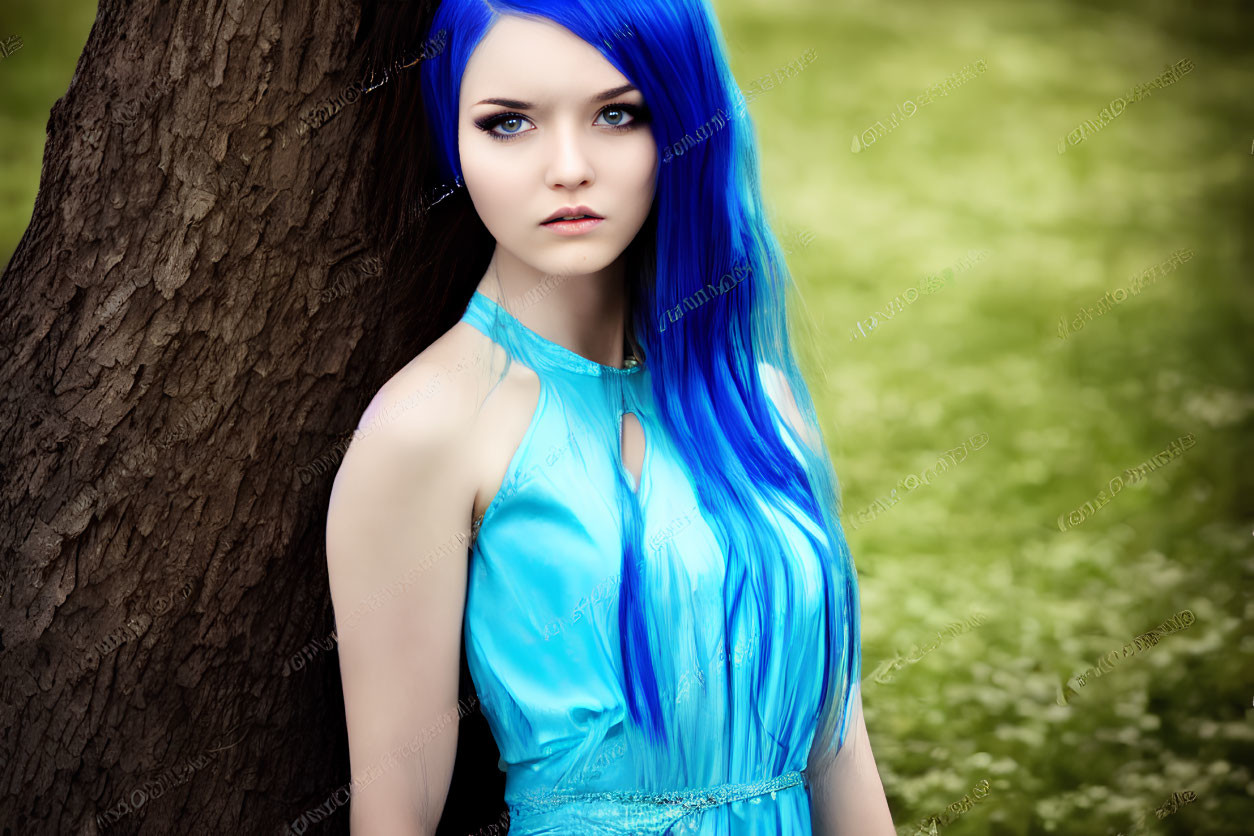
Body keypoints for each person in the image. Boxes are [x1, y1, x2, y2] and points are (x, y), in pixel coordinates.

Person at [326, 1, 895, 833]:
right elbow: (394, 814)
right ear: (454, 139)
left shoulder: (761, 405)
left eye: (618, 114)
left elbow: (837, 750)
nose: (567, 168)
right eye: (509, 123)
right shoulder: (430, 425)